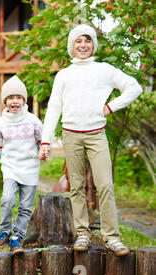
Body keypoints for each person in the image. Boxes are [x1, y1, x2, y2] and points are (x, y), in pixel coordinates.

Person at [38, 24, 142, 256]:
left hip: (96, 135)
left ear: (93, 44)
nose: (83, 45)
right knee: (76, 187)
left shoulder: (104, 70)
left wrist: (110, 107)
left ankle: (112, 238)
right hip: (71, 135)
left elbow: (134, 87)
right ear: (71, 46)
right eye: (78, 41)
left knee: (105, 185)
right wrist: (45, 141)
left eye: (87, 41)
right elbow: (54, 109)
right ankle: (82, 234)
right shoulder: (64, 75)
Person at [0, 76, 43, 254]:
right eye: (10, 98)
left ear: (24, 100)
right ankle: (4, 232)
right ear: (5, 101)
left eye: (18, 97)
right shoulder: (1, 123)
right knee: (7, 199)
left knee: (25, 206)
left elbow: (43, 142)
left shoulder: (33, 121)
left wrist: (43, 151)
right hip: (10, 167)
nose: (14, 101)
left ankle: (17, 237)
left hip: (30, 169)